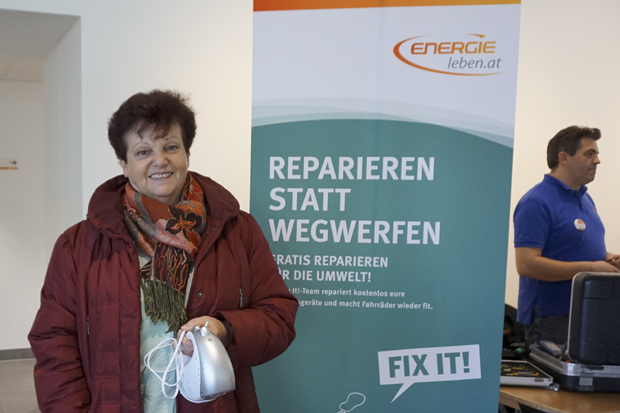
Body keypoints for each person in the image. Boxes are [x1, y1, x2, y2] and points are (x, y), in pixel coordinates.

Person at [28, 89, 299, 412]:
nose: (160, 160)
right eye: (143, 151)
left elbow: (278, 317)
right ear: (124, 164)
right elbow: (54, 341)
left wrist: (225, 330)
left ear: (187, 153)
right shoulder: (78, 245)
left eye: (171, 147)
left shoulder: (237, 231)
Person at [513, 125, 620, 349]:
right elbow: (526, 265)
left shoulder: (585, 198)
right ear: (563, 158)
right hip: (551, 318)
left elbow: (575, 246)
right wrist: (592, 268)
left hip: (586, 311)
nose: (597, 160)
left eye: (597, 153)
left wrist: (608, 259)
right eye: (589, 154)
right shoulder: (536, 202)